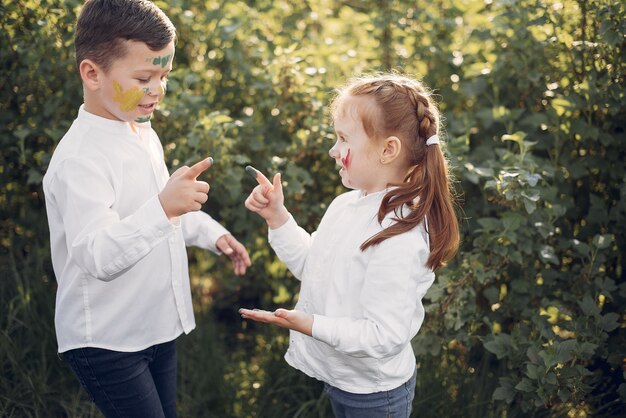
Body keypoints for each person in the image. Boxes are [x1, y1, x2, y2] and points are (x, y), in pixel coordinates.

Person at [42, 1, 251, 416]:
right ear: (92, 73)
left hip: (154, 326)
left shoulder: (140, 132)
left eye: (164, 76)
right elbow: (97, 254)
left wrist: (212, 234)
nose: (157, 90)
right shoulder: (80, 159)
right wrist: (162, 207)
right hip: (105, 337)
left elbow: (165, 210)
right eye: (143, 77)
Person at [240, 73, 460, 417]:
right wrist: (278, 217)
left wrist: (310, 324)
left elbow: (383, 335)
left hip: (374, 393)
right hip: (342, 378)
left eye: (344, 139)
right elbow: (313, 265)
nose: (333, 150)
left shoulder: (399, 235)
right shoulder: (346, 205)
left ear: (388, 150)